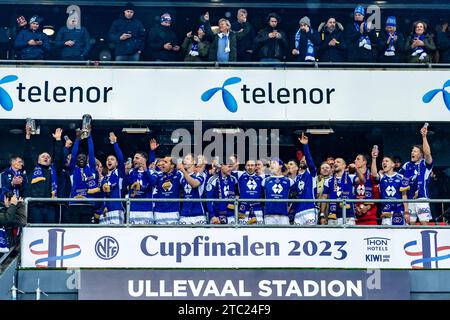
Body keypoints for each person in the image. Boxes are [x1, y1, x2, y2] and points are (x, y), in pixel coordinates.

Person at [24, 126, 64, 223]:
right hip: (35, 207)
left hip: (51, 206)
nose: (46, 158)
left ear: (50, 160)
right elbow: (27, 155)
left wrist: (58, 140)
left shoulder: (54, 170)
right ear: (38, 160)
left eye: (48, 157)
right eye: (43, 156)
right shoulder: (32, 169)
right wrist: (28, 136)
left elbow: (59, 157)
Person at [399, 125, 434, 225]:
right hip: (409, 199)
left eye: (415, 151)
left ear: (421, 154)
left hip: (422, 198)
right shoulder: (407, 165)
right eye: (412, 151)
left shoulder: (425, 164)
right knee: (411, 225)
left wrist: (424, 136)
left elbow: (428, 154)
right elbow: (397, 177)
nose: (412, 152)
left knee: (424, 223)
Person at [320, 158, 366, 225]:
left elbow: (363, 180)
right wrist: (322, 215)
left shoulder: (350, 177)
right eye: (335, 162)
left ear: (344, 165)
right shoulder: (328, 180)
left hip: (348, 215)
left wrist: (356, 168)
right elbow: (324, 198)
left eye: (338, 162)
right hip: (333, 215)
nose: (335, 163)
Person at [68, 128, 100, 223]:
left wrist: (89, 137)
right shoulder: (72, 170)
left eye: (83, 157)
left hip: (88, 204)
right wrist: (77, 140)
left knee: (87, 230)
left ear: (87, 159)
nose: (81, 159)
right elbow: (73, 156)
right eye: (79, 157)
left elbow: (91, 152)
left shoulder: (91, 170)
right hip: (74, 204)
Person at [371, 149, 409, 225]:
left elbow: (404, 196)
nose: (384, 162)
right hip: (386, 210)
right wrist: (374, 158)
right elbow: (374, 174)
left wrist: (406, 212)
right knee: (387, 233)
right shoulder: (381, 176)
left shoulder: (401, 177)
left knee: (399, 233)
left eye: (387, 161)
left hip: (399, 210)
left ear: (393, 165)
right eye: (383, 161)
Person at [99, 132, 126, 224]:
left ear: (117, 163)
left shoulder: (119, 173)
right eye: (107, 160)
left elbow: (121, 159)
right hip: (104, 212)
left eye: (112, 159)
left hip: (116, 209)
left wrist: (115, 143)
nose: (109, 161)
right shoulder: (103, 178)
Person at [291, 133, 318, 225]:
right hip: (297, 212)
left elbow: (310, 161)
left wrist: (305, 145)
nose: (303, 160)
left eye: (305, 159)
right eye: (302, 159)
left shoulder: (311, 173)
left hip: (309, 209)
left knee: (310, 235)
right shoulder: (296, 178)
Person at [262, 158, 295, 225]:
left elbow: (294, 197)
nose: (271, 165)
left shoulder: (289, 181)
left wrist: (289, 207)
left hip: (284, 216)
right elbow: (261, 197)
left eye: (274, 163)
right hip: (269, 216)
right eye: (271, 163)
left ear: (280, 165)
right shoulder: (265, 181)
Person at [126, 150, 156, 224]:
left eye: (137, 158)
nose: (134, 160)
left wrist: (146, 170)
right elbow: (125, 184)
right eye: (134, 158)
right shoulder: (131, 172)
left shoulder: (151, 172)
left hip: (147, 210)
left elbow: (153, 183)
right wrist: (126, 171)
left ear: (144, 160)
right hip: (133, 210)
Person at [178, 154, 208, 224]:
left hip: (198, 214)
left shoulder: (200, 174)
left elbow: (194, 184)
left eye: (187, 159)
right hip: (184, 214)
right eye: (184, 159)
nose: (184, 161)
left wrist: (183, 171)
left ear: (194, 161)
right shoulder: (181, 176)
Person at [206, 160, 238, 224]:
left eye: (231, 167)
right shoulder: (212, 180)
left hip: (231, 215)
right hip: (217, 216)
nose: (230, 169)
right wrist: (212, 216)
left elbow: (237, 195)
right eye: (229, 167)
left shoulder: (234, 179)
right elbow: (208, 199)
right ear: (222, 166)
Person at [232, 159, 264, 225]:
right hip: (243, 209)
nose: (250, 167)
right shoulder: (239, 175)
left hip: (257, 209)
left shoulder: (261, 177)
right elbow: (228, 170)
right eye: (248, 165)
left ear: (255, 167)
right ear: (245, 167)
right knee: (243, 230)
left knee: (259, 231)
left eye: (252, 165)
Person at [353, 153, 378, 225]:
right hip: (355, 216)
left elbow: (377, 196)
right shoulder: (350, 177)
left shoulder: (371, 176)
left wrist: (367, 207)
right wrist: (355, 207)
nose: (355, 161)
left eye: (358, 159)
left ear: (365, 162)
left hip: (370, 217)